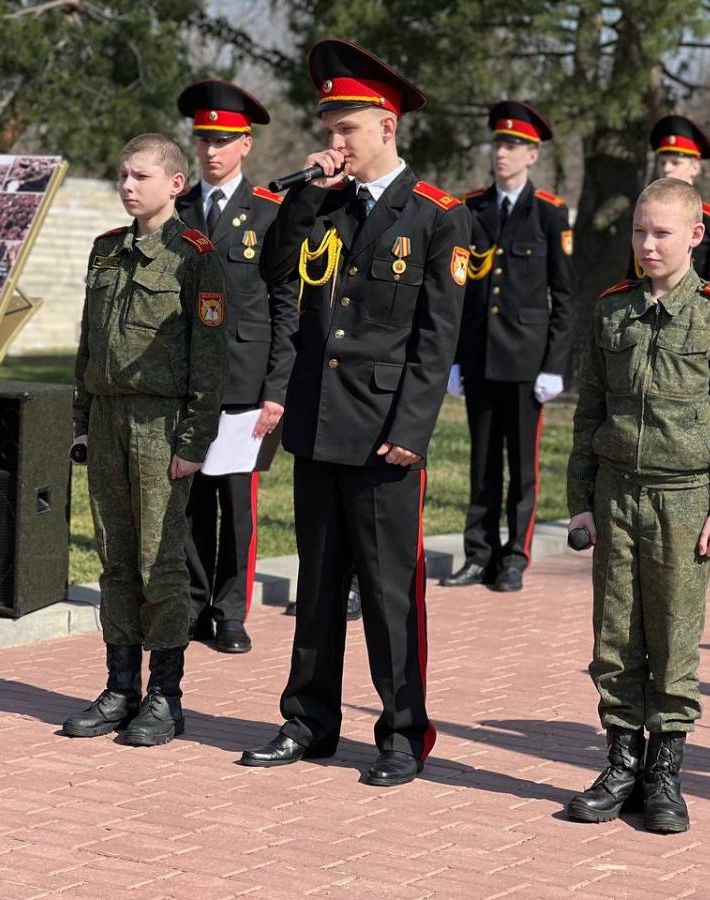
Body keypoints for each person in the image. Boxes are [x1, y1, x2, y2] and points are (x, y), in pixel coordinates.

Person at [238, 39, 470, 787]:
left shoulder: (436, 216)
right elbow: (273, 268)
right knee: (317, 584)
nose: (334, 142)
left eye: (348, 129)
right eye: (329, 129)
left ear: (387, 127)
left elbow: (436, 339)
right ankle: (308, 721)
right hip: (319, 422)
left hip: (382, 434)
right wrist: (307, 192)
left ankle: (403, 733)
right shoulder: (324, 204)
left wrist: (411, 429)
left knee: (388, 591)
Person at [564, 177, 710, 832]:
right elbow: (589, 411)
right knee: (615, 636)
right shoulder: (612, 309)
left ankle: (664, 774)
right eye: (640, 231)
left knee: (674, 637)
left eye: (662, 233)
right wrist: (580, 500)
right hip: (616, 492)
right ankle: (621, 764)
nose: (648, 245)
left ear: (695, 236)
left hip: (684, 498)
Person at [63, 133, 229, 746]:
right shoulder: (106, 250)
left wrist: (195, 438)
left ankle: (165, 696)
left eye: (141, 176)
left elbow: (211, 358)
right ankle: (120, 688)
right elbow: (89, 345)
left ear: (176, 184)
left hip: (161, 427)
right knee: (115, 555)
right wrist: (81, 422)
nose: (128, 186)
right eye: (123, 176)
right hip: (108, 421)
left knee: (160, 561)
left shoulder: (195, 255)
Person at [174, 79, 297, 653]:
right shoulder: (177, 209)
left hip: (246, 383)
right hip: (187, 381)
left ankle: (230, 612)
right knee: (191, 498)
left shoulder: (269, 212)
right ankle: (194, 605)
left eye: (223, 140)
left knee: (237, 506)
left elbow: (285, 305)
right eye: (204, 139)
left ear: (246, 144)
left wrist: (277, 389)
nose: (211, 150)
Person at [439, 100, 573, 593]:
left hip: (526, 363)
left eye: (514, 145)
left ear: (532, 155)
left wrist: (554, 365)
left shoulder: (549, 213)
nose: (502, 153)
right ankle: (478, 554)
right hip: (479, 357)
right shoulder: (471, 208)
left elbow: (564, 295)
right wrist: (454, 358)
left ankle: (514, 555)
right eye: (499, 143)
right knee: (482, 465)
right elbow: (457, 291)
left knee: (522, 468)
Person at [629, 116, 710, 284]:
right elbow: (634, 275)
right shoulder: (643, 211)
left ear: (694, 167)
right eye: (663, 162)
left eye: (675, 163)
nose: (667, 169)